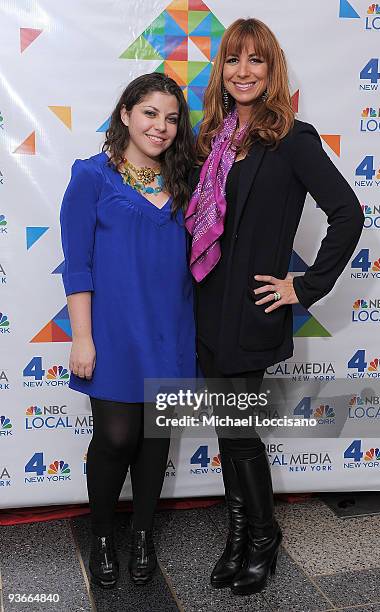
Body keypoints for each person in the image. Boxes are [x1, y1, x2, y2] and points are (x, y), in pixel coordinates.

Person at [186, 18, 364, 596]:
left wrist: (303, 287)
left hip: (253, 310)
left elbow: (348, 213)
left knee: (240, 434)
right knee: (227, 428)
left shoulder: (291, 137)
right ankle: (239, 534)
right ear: (223, 71)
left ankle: (263, 536)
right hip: (208, 307)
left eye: (255, 61)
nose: (243, 71)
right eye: (233, 60)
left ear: (272, 70)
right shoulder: (214, 139)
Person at [60, 73, 196, 588]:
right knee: (116, 437)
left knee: (154, 437)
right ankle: (101, 536)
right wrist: (82, 337)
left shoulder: (186, 182)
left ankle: (142, 535)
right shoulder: (91, 176)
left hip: (172, 329)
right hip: (113, 331)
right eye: (149, 113)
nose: (160, 127)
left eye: (171, 117)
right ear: (125, 114)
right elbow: (78, 264)